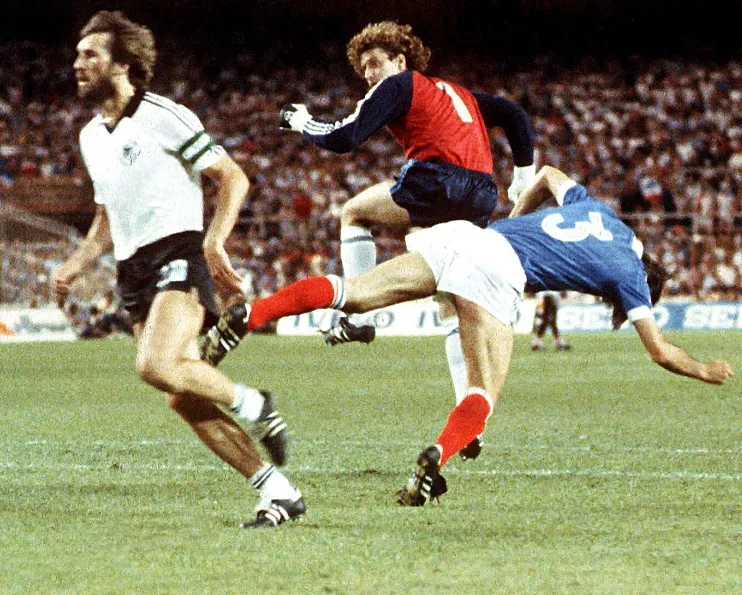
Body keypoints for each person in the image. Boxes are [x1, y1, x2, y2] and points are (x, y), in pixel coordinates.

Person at [199, 164, 734, 507]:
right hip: (499, 270)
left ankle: (252, 314)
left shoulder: (600, 212)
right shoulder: (633, 275)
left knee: (353, 293)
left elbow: (548, 173)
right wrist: (706, 370)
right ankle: (440, 453)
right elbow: (660, 351)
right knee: (484, 392)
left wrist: (512, 219)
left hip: (464, 236)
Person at [214, 22, 534, 462]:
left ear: (400, 60)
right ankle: (468, 424)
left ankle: (356, 315)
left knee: (354, 212)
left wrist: (301, 121)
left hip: (436, 182)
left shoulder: (400, 84)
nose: (368, 74)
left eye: (374, 63)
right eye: (363, 68)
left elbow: (344, 137)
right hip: (481, 194)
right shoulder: (459, 94)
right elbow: (514, 114)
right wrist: (523, 175)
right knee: (450, 297)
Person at [52, 11, 305, 528]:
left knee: (154, 365)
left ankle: (254, 403)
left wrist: (214, 242)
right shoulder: (90, 136)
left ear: (122, 64)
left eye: (90, 54)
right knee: (181, 397)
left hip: (178, 253)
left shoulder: (164, 115)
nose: (78, 63)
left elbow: (232, 178)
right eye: (77, 54)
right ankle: (278, 492)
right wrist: (72, 266)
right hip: (132, 270)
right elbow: (106, 220)